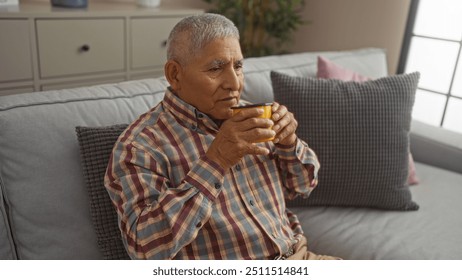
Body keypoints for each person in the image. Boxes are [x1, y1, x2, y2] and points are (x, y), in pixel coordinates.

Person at [104, 13, 338, 260]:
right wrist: (215, 162)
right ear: (175, 74)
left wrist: (289, 143)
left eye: (238, 66)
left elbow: (302, 186)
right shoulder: (140, 146)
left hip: (300, 257)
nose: (234, 84)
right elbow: (144, 248)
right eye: (216, 68)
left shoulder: (254, 115)